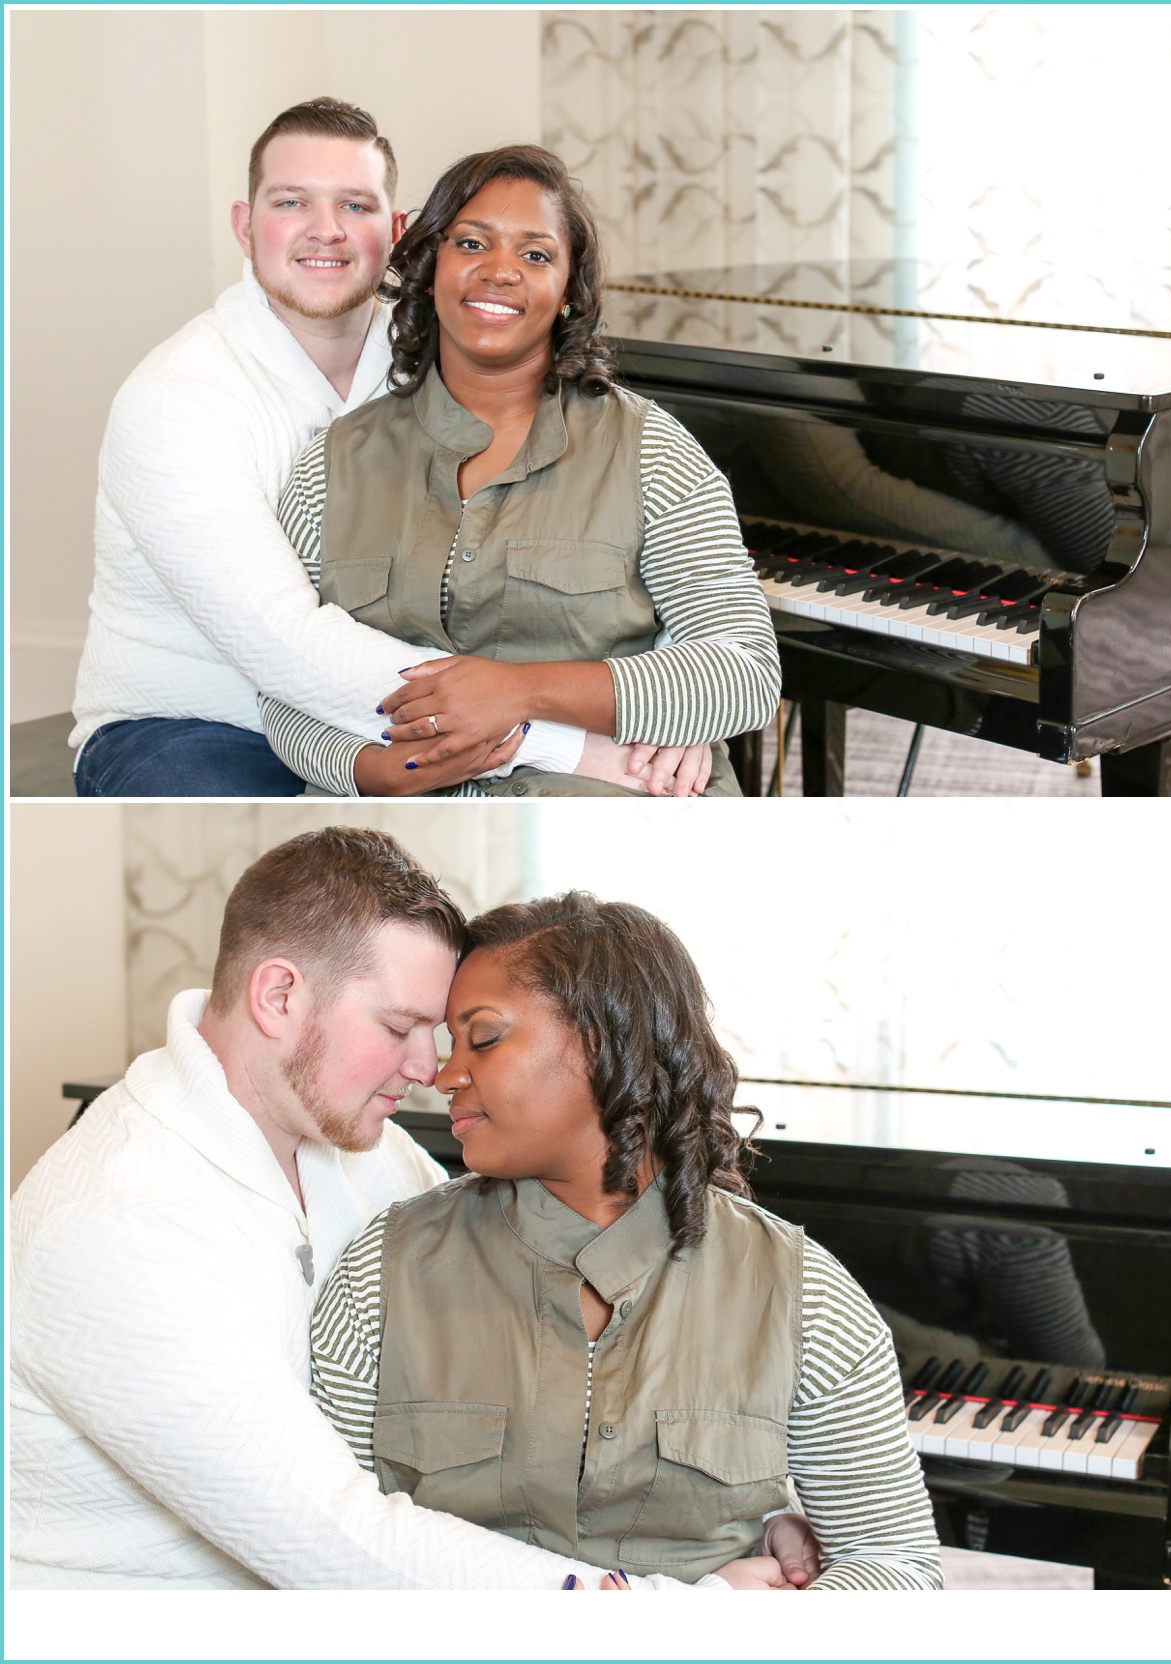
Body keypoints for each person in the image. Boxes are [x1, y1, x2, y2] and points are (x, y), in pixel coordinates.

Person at [9, 828, 806, 1590]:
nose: (431, 1068)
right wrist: (688, 1610)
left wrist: (738, 1504)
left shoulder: (363, 1145)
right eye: (401, 1027)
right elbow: (336, 1541)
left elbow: (512, 1302)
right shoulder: (116, 1221)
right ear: (279, 995)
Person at [311, 893, 944, 1588]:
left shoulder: (805, 1296)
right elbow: (323, 1546)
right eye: (447, 1044)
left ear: (602, 1042)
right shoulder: (382, 1272)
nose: (444, 1074)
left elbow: (897, 1565)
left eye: (482, 1038)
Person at [69, 100, 674, 799]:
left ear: (395, 231)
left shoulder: (444, 357)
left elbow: (617, 547)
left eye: (354, 205)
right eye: (291, 201)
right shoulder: (175, 399)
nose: (325, 231)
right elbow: (282, 644)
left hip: (414, 712)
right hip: (198, 724)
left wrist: (659, 712)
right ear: (245, 226)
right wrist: (563, 739)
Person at [258, 144, 781, 799]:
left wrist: (520, 692)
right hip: (394, 813)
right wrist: (377, 773)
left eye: (535, 255)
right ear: (428, 270)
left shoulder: (653, 451)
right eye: (472, 243)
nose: (501, 271)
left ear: (567, 292)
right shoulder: (327, 470)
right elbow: (286, 687)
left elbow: (745, 673)